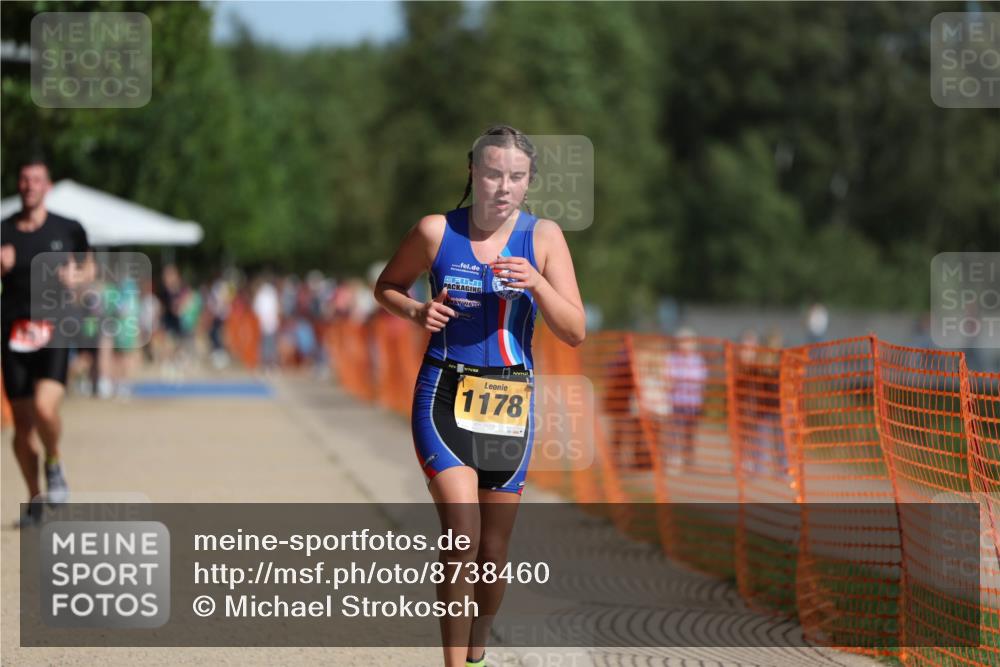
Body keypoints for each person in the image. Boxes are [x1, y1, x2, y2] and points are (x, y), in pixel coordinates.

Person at [374, 125, 585, 667]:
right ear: (473, 172)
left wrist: (538, 284)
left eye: (516, 177)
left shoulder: (544, 238)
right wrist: (417, 312)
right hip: (442, 393)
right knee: (462, 536)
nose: (503, 186)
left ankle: (477, 657)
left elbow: (575, 329)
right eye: (493, 173)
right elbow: (387, 287)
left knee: (493, 554)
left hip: (509, 407)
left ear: (529, 180)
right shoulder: (434, 231)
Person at [1, 158, 93, 527]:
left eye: (36, 179)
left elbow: (89, 267)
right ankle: (35, 498)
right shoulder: (3, 230)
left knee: (44, 409)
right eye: (24, 179)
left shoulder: (68, 228)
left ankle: (54, 459)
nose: (29, 185)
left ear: (47, 186)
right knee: (21, 427)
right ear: (19, 185)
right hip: (13, 332)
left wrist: (78, 276)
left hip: (54, 328)